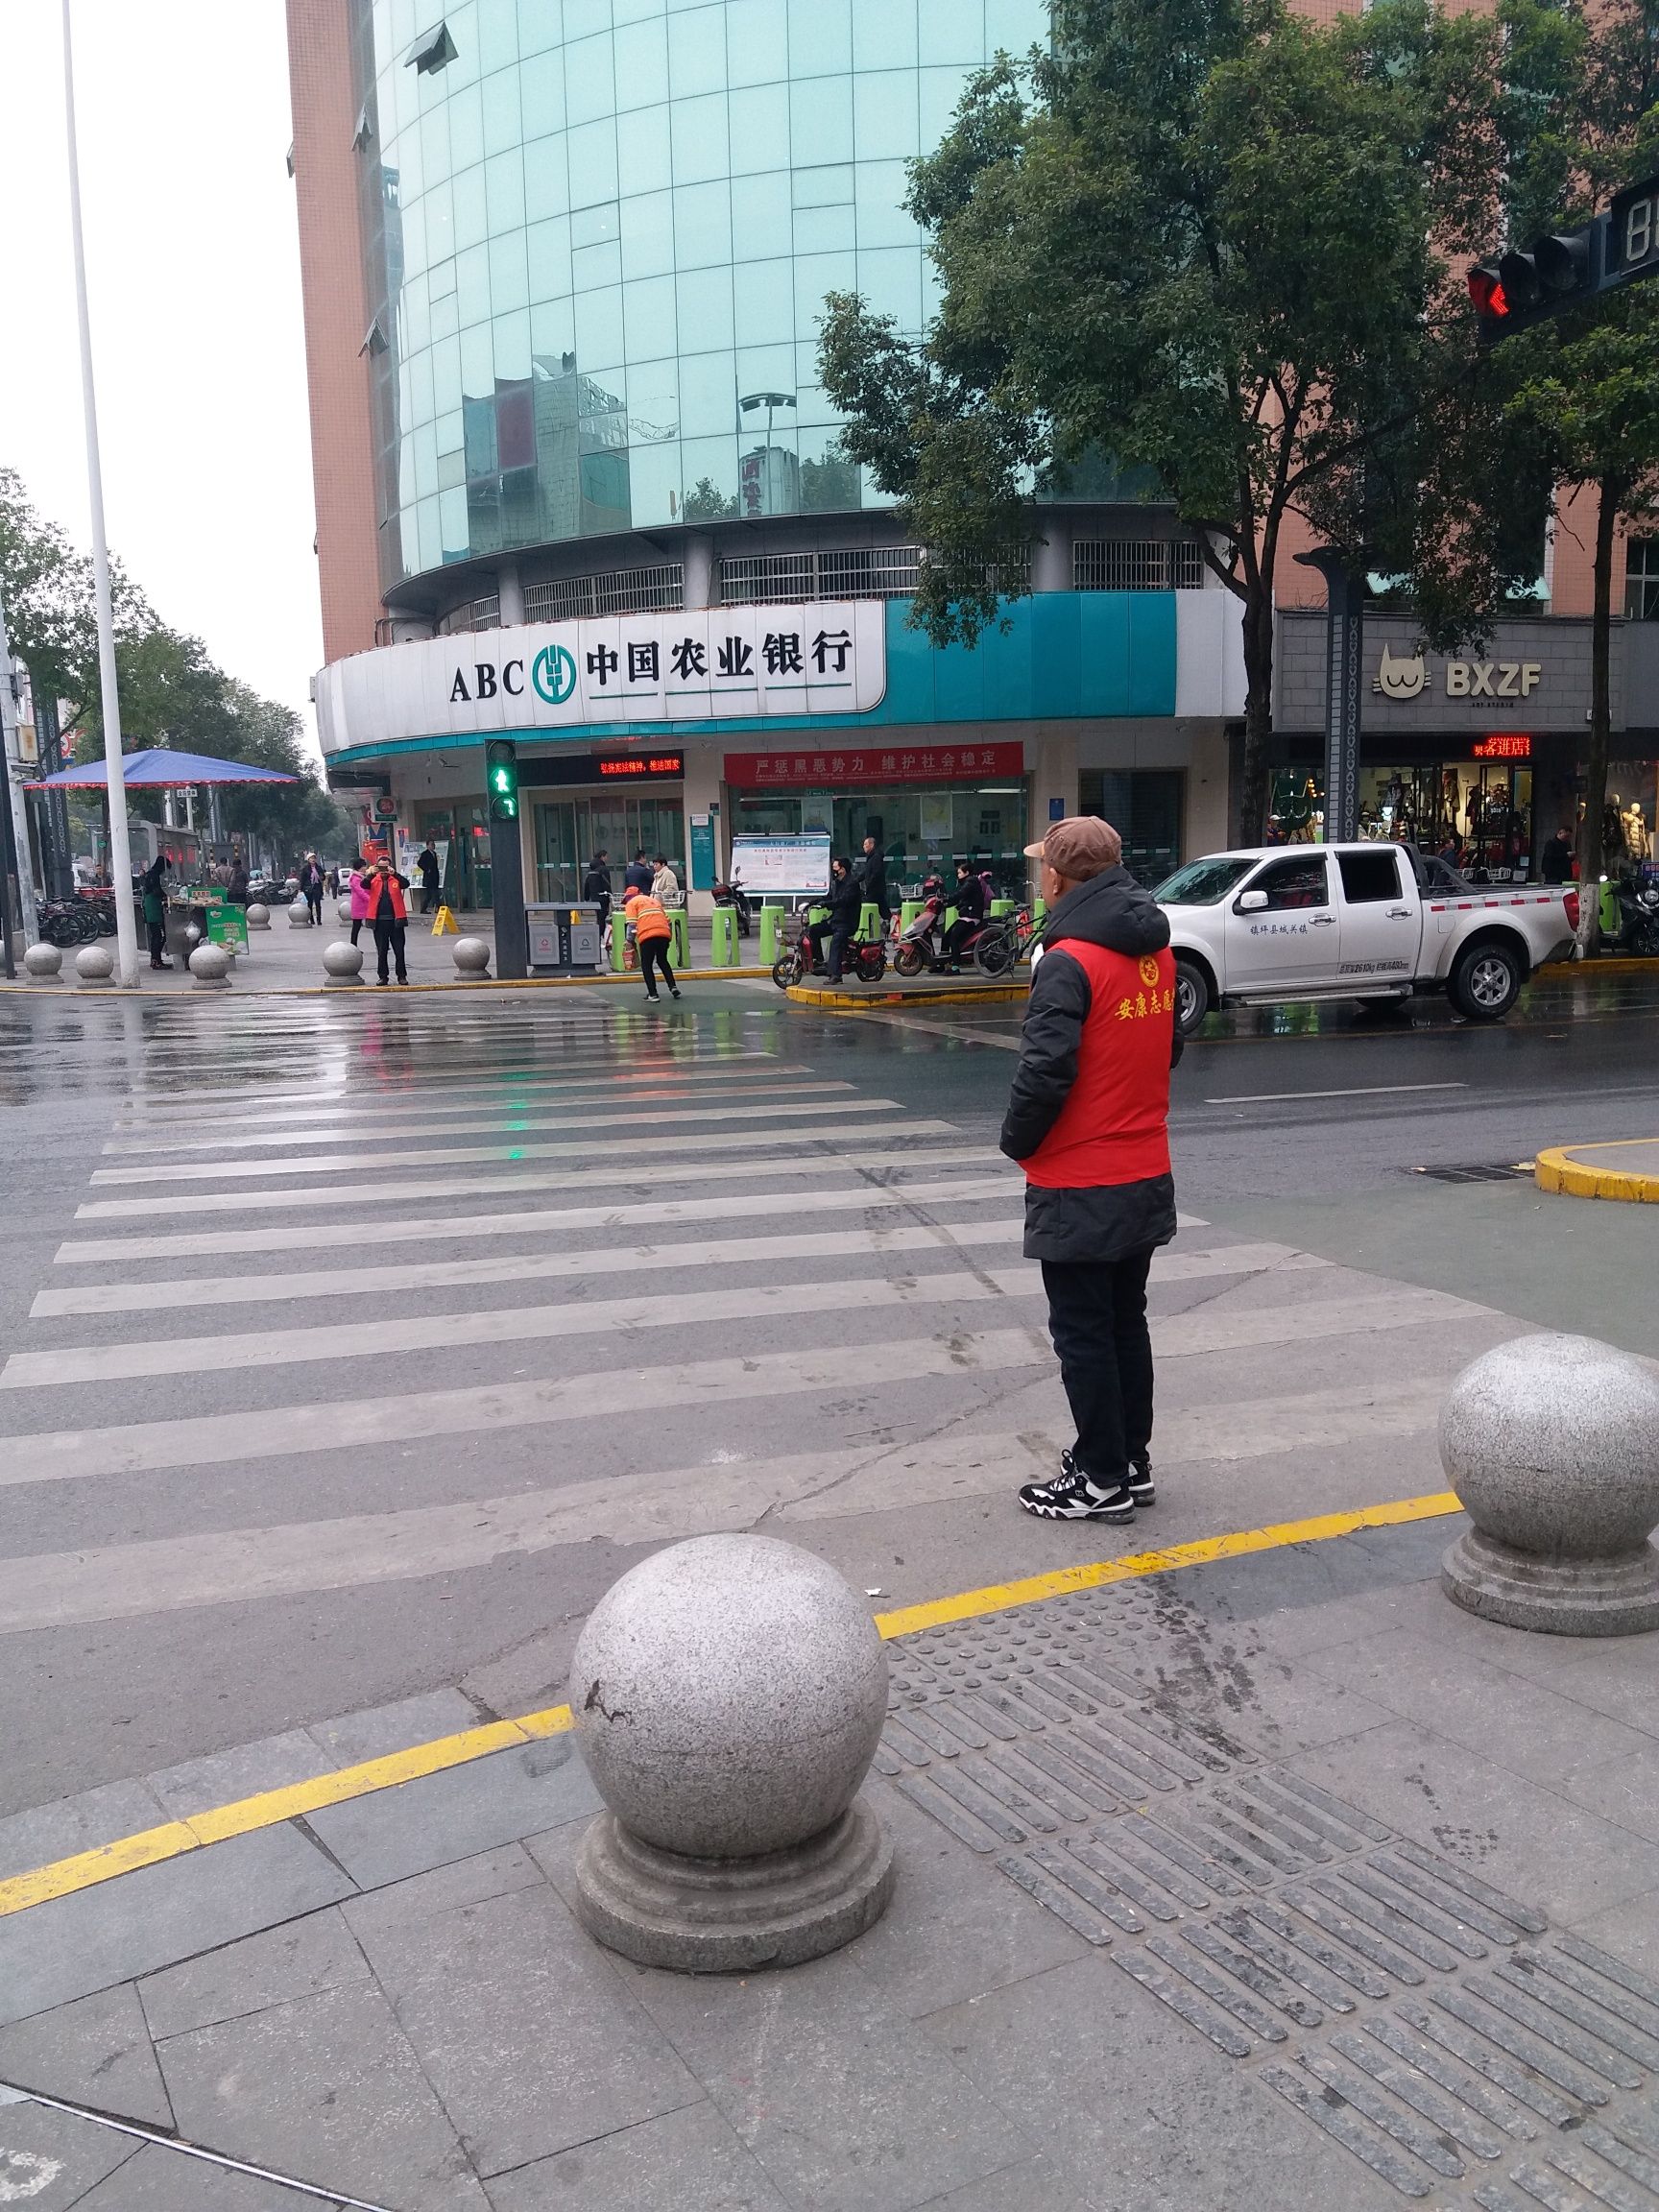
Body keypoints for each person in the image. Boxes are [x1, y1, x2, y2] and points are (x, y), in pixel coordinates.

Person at [1000, 817, 1182, 1525]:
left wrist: (1018, 1142)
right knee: (1124, 1321)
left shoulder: (1068, 959)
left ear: (1057, 877)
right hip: (1145, 1165)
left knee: (1082, 1333)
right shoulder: (1157, 952)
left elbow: (1045, 1071)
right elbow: (1169, 1049)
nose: (1040, 878)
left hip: (1079, 1177)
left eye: (1042, 867)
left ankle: (1100, 1478)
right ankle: (1129, 1462)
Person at [809, 856, 864, 982]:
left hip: (847, 922)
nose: (833, 870)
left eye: (835, 868)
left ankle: (836, 975)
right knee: (813, 930)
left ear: (842, 869)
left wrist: (827, 905)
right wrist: (812, 903)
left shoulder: (852, 884)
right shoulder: (836, 883)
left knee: (835, 943)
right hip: (835, 920)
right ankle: (819, 961)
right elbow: (828, 897)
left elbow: (843, 901)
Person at [623, 884, 680, 1000]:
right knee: (662, 960)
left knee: (647, 964)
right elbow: (668, 921)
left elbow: (632, 924)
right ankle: (673, 986)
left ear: (628, 897)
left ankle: (653, 994)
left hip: (647, 935)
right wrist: (669, 937)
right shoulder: (653, 901)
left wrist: (629, 940)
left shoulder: (631, 903)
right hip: (663, 934)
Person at [363, 854, 410, 984]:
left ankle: (402, 976)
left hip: (396, 920)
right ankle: (383, 976)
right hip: (379, 921)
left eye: (386, 866)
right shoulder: (373, 879)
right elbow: (363, 885)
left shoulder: (395, 878)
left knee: (399, 950)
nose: (383, 870)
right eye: (381, 867)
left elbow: (406, 884)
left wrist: (395, 873)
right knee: (382, 951)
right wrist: (371, 874)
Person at [945, 858, 987, 969]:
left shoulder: (971, 882)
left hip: (971, 917)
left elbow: (960, 894)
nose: (958, 875)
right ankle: (940, 964)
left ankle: (955, 967)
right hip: (965, 916)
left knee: (954, 937)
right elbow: (960, 899)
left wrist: (947, 898)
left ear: (967, 873)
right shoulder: (967, 883)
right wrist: (944, 904)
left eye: (959, 873)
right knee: (946, 936)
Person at [140, 854, 173, 971]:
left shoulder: (151, 874)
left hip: (151, 907)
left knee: (156, 935)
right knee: (159, 935)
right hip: (153, 908)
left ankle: (156, 959)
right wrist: (167, 896)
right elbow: (156, 891)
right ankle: (156, 961)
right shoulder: (153, 875)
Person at [858, 834, 890, 924]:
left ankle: (867, 926)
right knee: (883, 909)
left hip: (875, 890)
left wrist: (869, 883)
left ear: (872, 845)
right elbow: (866, 872)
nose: (864, 846)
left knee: (867, 906)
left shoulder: (876, 857)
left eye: (865, 844)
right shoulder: (871, 858)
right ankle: (891, 922)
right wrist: (856, 880)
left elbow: (876, 873)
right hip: (875, 890)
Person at [582, 850, 613, 934]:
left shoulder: (590, 870)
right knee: (603, 916)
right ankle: (601, 933)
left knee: (599, 916)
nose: (607, 858)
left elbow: (587, 884)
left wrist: (586, 897)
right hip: (603, 896)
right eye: (606, 856)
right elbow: (607, 883)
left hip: (594, 897)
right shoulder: (604, 869)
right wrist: (610, 895)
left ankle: (599, 933)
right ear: (602, 857)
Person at [347, 856, 373, 947]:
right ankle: (353, 945)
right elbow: (361, 892)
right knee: (356, 926)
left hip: (365, 903)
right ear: (359, 867)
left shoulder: (363, 876)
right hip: (359, 905)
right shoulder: (356, 878)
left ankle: (382, 944)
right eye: (364, 866)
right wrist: (371, 900)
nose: (365, 868)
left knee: (374, 925)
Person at [299, 853, 325, 926]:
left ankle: (319, 919)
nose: (313, 860)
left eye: (314, 858)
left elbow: (323, 877)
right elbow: (302, 879)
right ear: (308, 860)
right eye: (311, 858)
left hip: (317, 887)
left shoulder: (318, 868)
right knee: (309, 904)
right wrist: (300, 889)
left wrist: (321, 877)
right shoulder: (305, 869)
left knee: (318, 904)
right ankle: (311, 919)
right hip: (308, 888)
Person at [416, 841, 442, 914]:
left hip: (434, 876)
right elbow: (419, 863)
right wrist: (427, 869)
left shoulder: (434, 853)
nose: (433, 846)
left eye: (434, 844)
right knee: (435, 893)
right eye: (431, 844)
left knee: (429, 895)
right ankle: (439, 908)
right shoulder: (425, 854)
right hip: (429, 877)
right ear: (427, 846)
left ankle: (424, 909)